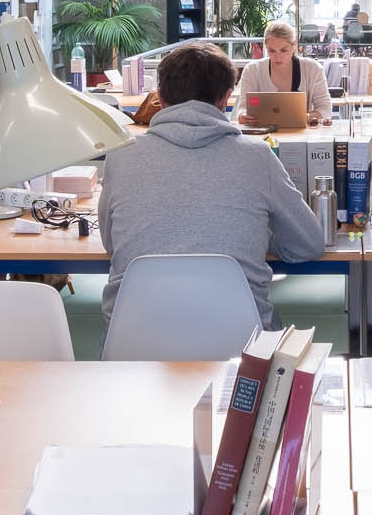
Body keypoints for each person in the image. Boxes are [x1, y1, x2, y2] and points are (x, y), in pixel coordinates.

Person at [99, 41, 325, 330]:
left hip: (133, 340)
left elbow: (111, 243)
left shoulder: (121, 156)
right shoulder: (257, 156)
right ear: (225, 99)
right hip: (239, 341)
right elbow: (309, 243)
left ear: (160, 97)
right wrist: (258, 232)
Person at [236, 21, 333, 124]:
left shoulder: (313, 69)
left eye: (283, 50)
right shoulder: (252, 70)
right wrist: (243, 116)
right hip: (262, 136)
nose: (277, 57)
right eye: (271, 51)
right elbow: (243, 109)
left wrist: (305, 117)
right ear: (265, 47)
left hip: (300, 135)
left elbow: (325, 109)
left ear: (294, 45)